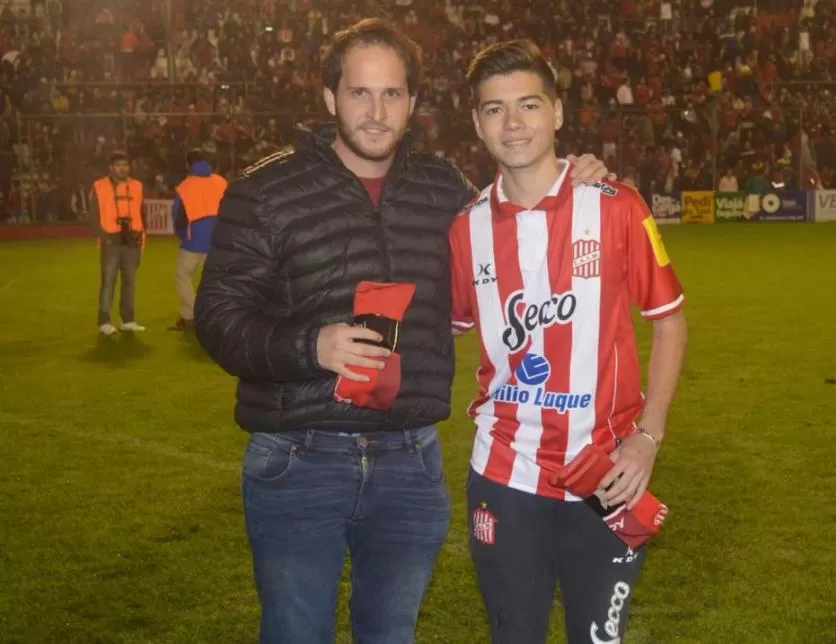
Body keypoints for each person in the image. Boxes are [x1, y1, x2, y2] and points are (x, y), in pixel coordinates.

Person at [193, 18, 610, 644]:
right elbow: (218, 318)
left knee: (391, 634)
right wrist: (314, 344)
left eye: (392, 94)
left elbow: (520, 221)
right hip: (300, 458)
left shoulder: (445, 191)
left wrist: (574, 181)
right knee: (295, 631)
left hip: (409, 461)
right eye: (360, 93)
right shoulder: (264, 191)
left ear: (412, 104)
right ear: (330, 99)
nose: (376, 111)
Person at [449, 40, 689, 643]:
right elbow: (440, 332)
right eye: (495, 109)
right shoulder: (464, 230)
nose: (514, 123)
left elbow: (669, 322)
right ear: (477, 124)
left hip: (605, 474)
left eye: (528, 105)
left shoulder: (617, 206)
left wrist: (648, 440)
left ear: (556, 113)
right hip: (504, 476)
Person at [169, 148, 228, 330]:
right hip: (219, 240)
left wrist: (183, 235)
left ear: (188, 164)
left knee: (182, 276)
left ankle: (192, 315)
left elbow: (179, 218)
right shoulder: (221, 182)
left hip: (193, 241)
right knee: (211, 281)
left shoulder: (185, 187)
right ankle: (216, 315)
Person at [89, 151, 146, 336]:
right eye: (119, 165)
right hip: (111, 240)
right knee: (108, 283)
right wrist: (103, 236)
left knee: (130, 283)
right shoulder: (99, 186)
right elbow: (93, 215)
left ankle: (127, 320)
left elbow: (141, 214)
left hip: (133, 239)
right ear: (111, 167)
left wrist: (141, 241)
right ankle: (104, 321)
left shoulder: (137, 186)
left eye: (125, 165)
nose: (123, 168)